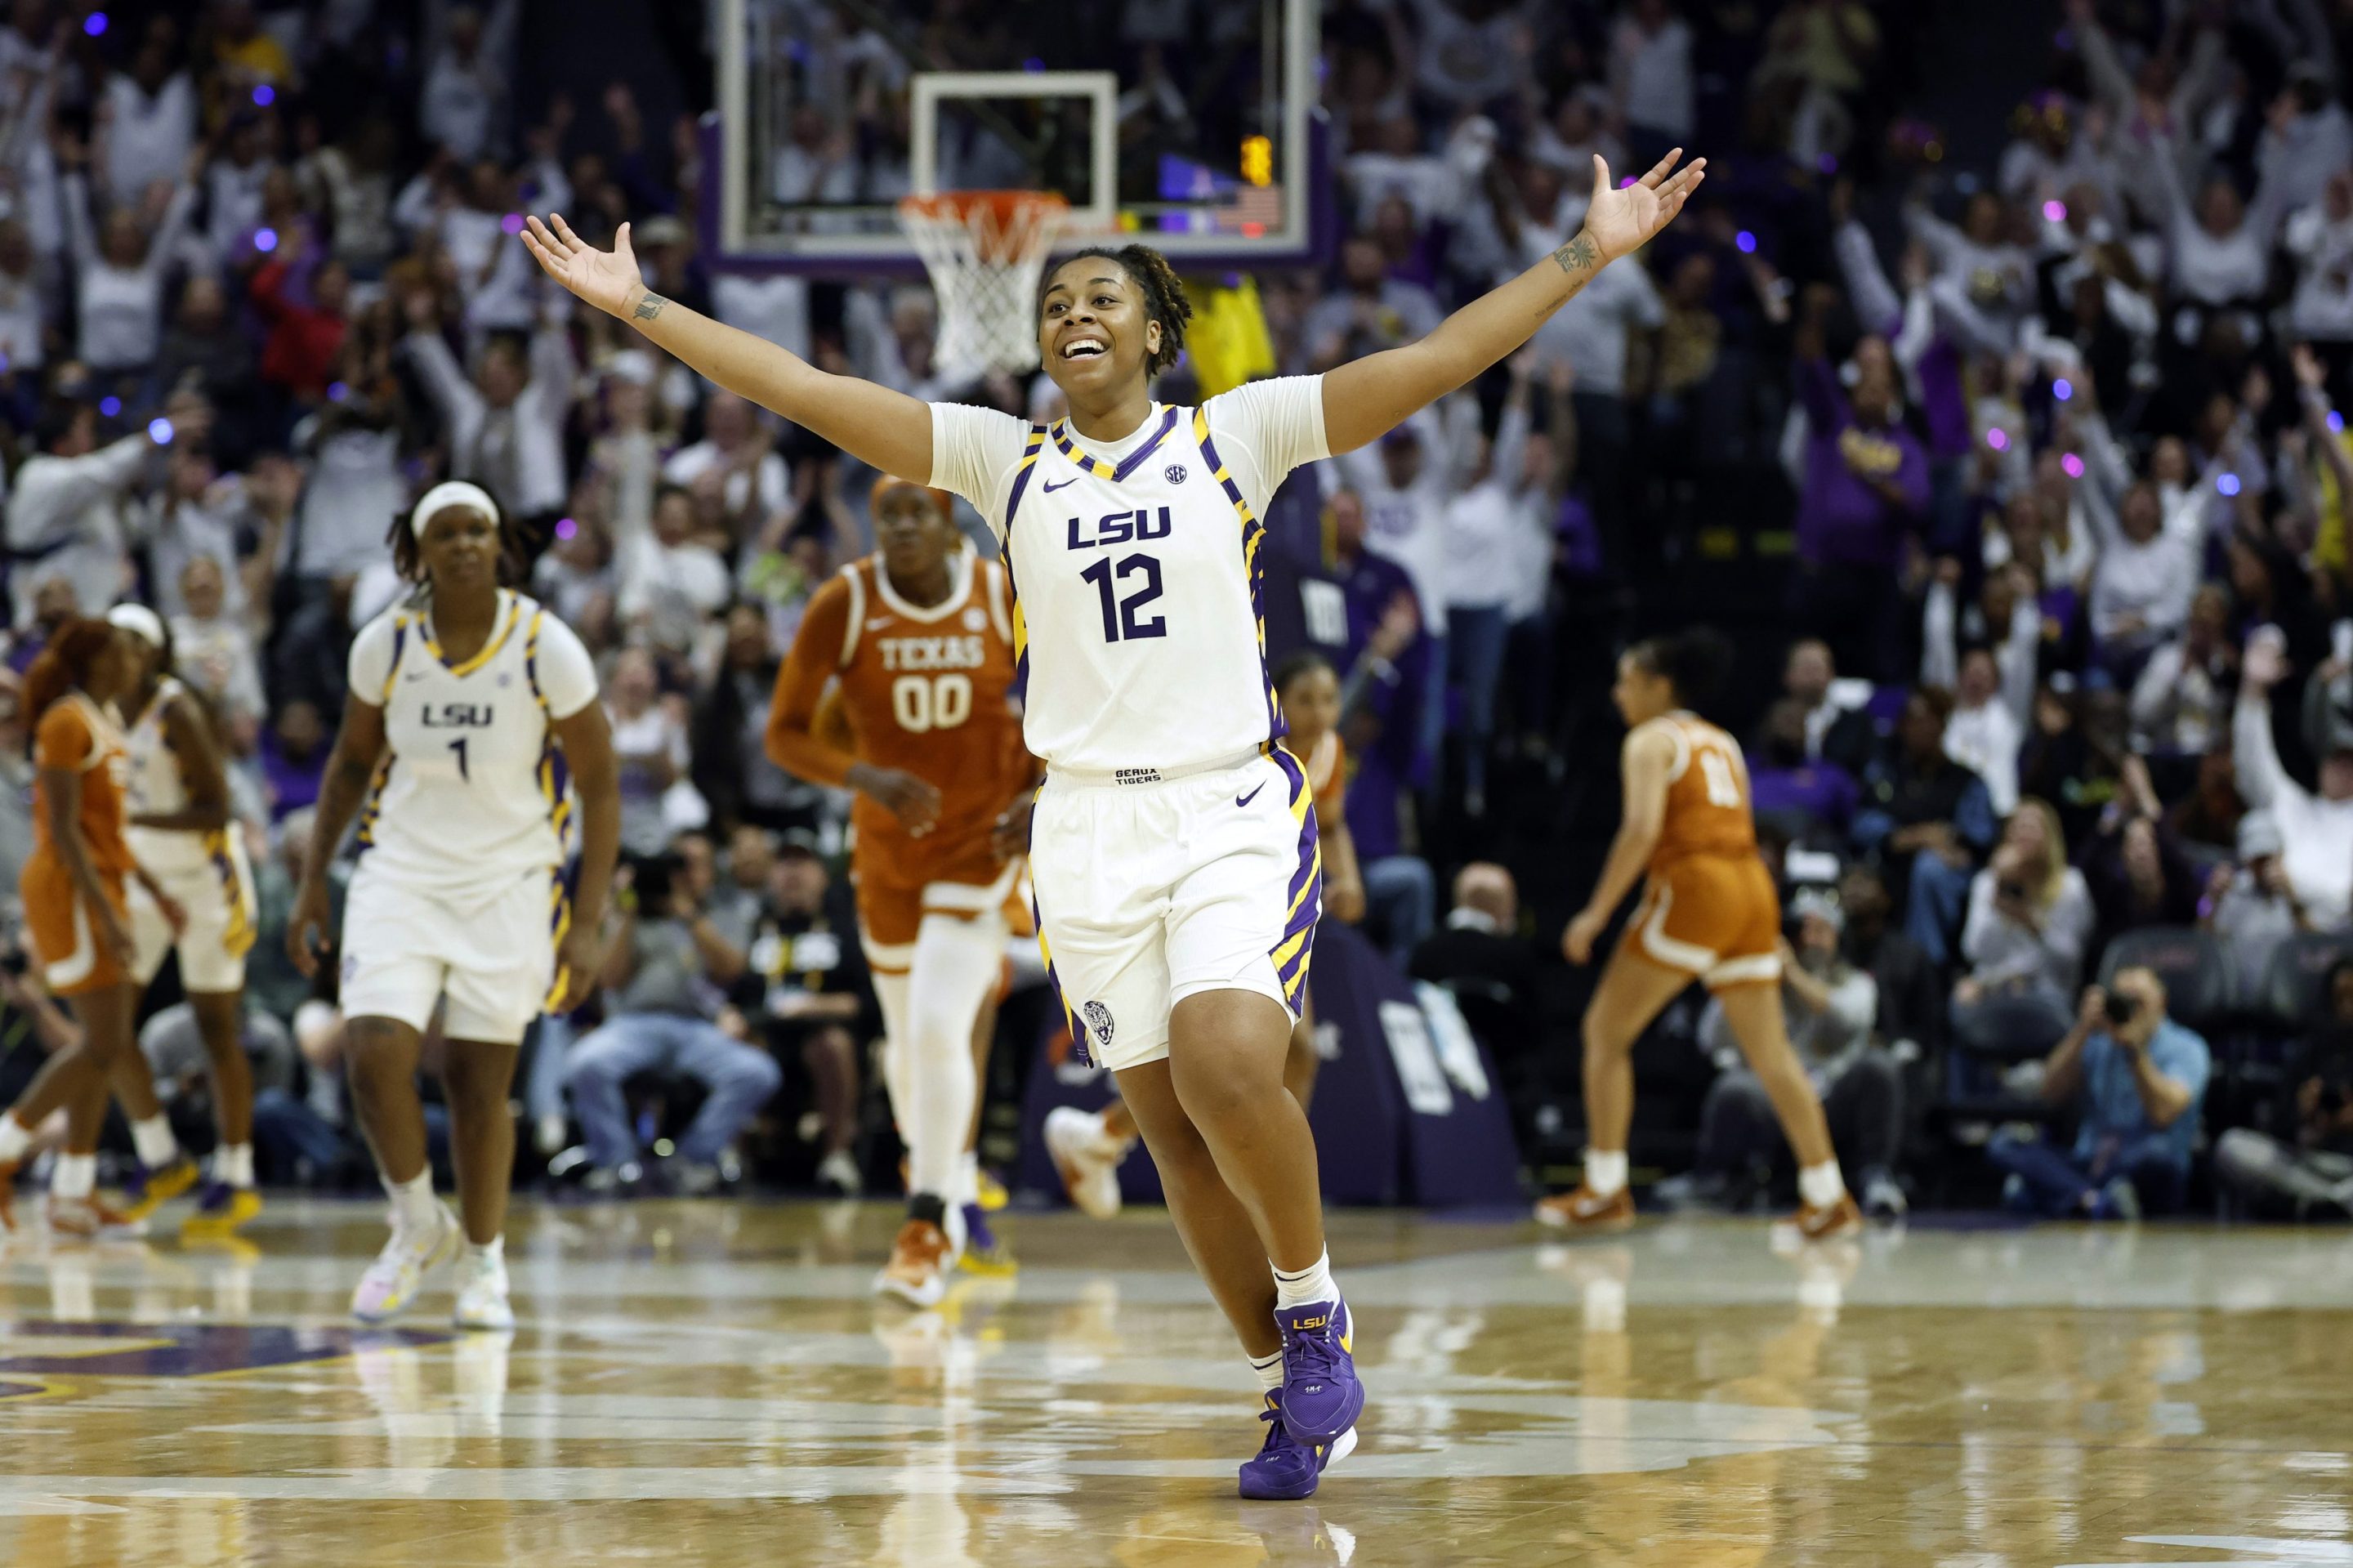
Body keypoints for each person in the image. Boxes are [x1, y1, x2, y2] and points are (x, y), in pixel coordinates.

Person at [526, 140, 1708, 1501]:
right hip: (1083, 832)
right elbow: (801, 386)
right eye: (1052, 305)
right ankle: (1290, 1393)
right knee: (1173, 1138)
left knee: (1222, 1057)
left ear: (1156, 329)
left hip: (1226, 807)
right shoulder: (1001, 458)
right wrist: (637, 306)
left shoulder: (1234, 435)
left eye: (1099, 297)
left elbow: (1440, 356)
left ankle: (1318, 1313)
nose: (1071, 314)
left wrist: (1587, 251)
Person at [288, 481, 618, 1332]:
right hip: (400, 868)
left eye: (479, 529)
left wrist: (586, 923)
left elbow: (601, 785)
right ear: (417, 552)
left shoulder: (547, 644)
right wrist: (310, 880)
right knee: (369, 1052)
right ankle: (415, 1221)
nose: (466, 543)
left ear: (500, 542)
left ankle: (485, 1262)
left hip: (510, 880)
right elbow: (350, 766)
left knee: (481, 1085)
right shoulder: (386, 645)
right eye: (447, 533)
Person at [765, 476, 1034, 1306]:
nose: (904, 527)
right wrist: (865, 775)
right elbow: (784, 732)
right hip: (886, 858)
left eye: (920, 511)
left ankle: (924, 1224)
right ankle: (951, 1190)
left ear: (951, 523)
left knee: (937, 1024)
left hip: (980, 849)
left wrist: (1047, 785)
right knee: (905, 1053)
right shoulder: (844, 604)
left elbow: (1076, 694)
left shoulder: (1001, 593)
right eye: (889, 516)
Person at [1545, 628, 1860, 1240]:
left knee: (1605, 1032)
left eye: (1628, 681)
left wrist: (1596, 913)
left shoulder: (1649, 740)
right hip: (1752, 889)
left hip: (1698, 886)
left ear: (1660, 686)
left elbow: (1640, 830)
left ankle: (1606, 1186)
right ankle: (1828, 1194)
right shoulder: (1723, 741)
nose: (1618, 693)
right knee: (1771, 1053)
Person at [1043, 650, 1363, 1220]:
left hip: (1275, 900)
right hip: (1212, 887)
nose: (1320, 712)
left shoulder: (1330, 750)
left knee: (1286, 1053)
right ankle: (1257, 1191)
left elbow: (1332, 823)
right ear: (1276, 700)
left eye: (1330, 698)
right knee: (1226, 1057)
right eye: (1306, 699)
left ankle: (1104, 1138)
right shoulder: (1247, 747)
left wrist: (1350, 879)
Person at [0, 619, 181, 1235]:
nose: (134, 660)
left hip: (105, 886)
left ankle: (72, 1192)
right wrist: (106, 910)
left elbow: (113, 831)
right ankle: (7, 1142)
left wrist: (154, 892)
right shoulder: (64, 721)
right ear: (98, 660)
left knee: (105, 1046)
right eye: (123, 650)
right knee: (103, 1043)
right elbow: (66, 829)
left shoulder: (105, 721)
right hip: (72, 891)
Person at [109, 604, 263, 1234]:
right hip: (145, 882)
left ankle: (237, 1173)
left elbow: (216, 809)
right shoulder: (101, 712)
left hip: (206, 882)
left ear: (154, 652)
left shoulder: (177, 711)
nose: (117, 654)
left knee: (216, 1029)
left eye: (129, 644)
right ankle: (160, 1155)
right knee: (108, 1021)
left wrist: (127, 825)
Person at [1680, 888, 1908, 1218]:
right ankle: (1711, 1179)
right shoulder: (1762, 984)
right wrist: (1741, 977)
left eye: (1821, 930)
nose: (1810, 939)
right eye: (1803, 930)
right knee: (1734, 1087)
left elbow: (1847, 1017)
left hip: (1832, 1099)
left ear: (1838, 938)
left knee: (1879, 1067)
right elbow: (1709, 1040)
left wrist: (1792, 973)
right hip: (1774, 1103)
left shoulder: (1855, 982)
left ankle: (1877, 1177)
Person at [562, 849, 780, 1194]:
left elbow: (731, 969)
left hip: (697, 1027)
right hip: (633, 1024)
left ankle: (692, 1159)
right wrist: (627, 914)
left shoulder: (719, 914)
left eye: (692, 868)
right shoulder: (624, 916)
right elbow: (608, 980)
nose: (682, 877)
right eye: (676, 870)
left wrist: (688, 916)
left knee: (757, 1072)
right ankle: (618, 1165)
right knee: (585, 1063)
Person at [1985, 967, 2209, 1219]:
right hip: (2090, 1165)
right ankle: (2094, 1200)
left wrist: (2135, 1053)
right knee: (2005, 1143)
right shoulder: (2097, 1041)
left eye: (2138, 1002)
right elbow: (2050, 1092)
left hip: (2143, 1167)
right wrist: (2082, 1029)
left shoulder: (2187, 1047)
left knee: (2159, 1158)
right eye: (2120, 1001)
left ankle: (2067, 1198)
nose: (2128, 1010)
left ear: (2162, 1002)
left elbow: (2164, 1114)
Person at [2214, 958, 2353, 1216]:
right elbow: (2278, 1130)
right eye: (2340, 998)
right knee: (2232, 1146)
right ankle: (2333, 1203)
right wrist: (2304, 1119)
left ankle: (2317, 1204)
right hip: (2308, 1163)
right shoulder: (2310, 1052)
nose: (2347, 1008)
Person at [2236, 628, 2353, 929]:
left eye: (2349, 759)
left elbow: (2340, 901)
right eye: (2335, 756)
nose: (2341, 767)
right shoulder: (2296, 808)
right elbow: (2252, 762)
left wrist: (2294, 890)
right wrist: (2253, 690)